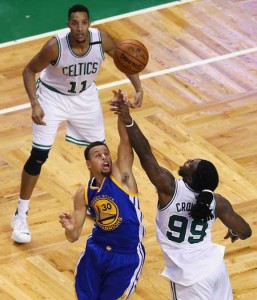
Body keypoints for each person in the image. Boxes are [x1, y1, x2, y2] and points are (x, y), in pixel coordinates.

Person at [11, 4, 144, 243]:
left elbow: (124, 59)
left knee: (101, 156)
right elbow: (29, 70)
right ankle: (21, 213)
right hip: (52, 98)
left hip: (85, 98)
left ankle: (99, 203)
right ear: (68, 25)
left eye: (83, 22)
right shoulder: (56, 46)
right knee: (38, 156)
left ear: (89, 23)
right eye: (74, 23)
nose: (79, 28)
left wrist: (139, 87)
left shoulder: (101, 39)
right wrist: (34, 103)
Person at [111, 97, 252, 300]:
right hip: (215, 268)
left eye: (192, 163)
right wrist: (233, 230)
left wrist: (128, 119)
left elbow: (145, 154)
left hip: (190, 278)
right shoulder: (217, 202)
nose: (188, 161)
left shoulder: (169, 188)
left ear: (191, 176)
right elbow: (246, 231)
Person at [59, 90, 145, 300]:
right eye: (98, 156)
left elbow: (125, 143)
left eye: (106, 154)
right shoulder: (83, 193)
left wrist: (122, 113)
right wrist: (70, 229)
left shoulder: (121, 177)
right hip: (95, 252)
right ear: (89, 164)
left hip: (125, 255)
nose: (105, 158)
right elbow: (73, 237)